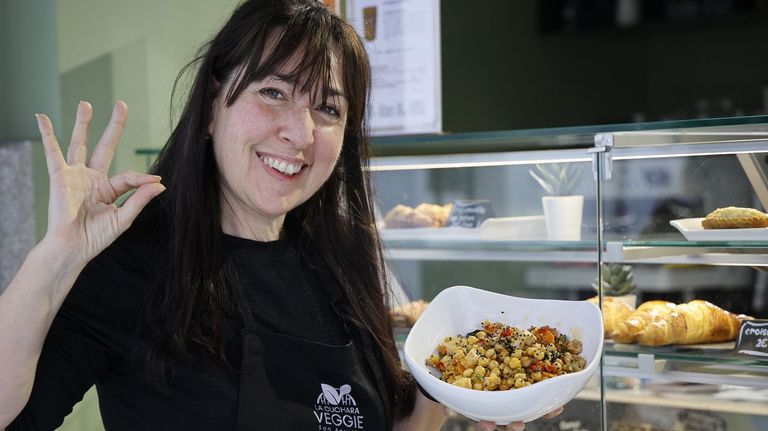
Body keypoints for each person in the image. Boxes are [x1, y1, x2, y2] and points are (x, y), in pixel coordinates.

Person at [0, 1, 560, 430]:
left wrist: (453, 394)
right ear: (212, 108)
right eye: (274, 92)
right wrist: (55, 259)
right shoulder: (135, 265)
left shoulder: (341, 255)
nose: (301, 133)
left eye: (328, 108)